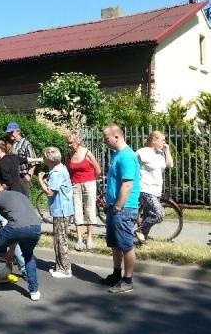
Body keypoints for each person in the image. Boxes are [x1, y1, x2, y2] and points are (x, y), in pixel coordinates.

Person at [101, 124, 140, 294]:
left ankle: (128, 280)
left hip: (123, 208)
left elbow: (127, 184)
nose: (104, 140)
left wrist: (118, 205)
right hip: (114, 207)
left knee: (126, 245)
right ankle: (117, 274)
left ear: (116, 136)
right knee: (115, 244)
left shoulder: (126, 156)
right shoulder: (117, 155)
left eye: (106, 137)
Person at [37, 146, 74, 279]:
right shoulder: (59, 168)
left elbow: (50, 192)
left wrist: (40, 180)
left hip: (61, 209)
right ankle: (61, 266)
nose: (43, 159)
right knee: (59, 239)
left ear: (48, 158)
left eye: (44, 157)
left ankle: (64, 269)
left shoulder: (56, 172)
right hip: (63, 208)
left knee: (60, 240)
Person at [136, 131, 174, 245]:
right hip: (145, 189)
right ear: (154, 141)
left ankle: (141, 242)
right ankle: (139, 230)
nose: (164, 142)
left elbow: (170, 165)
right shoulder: (142, 152)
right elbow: (131, 164)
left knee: (149, 215)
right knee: (159, 214)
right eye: (162, 140)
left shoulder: (160, 153)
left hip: (156, 190)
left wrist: (167, 151)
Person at [65, 133, 102, 251]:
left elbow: (98, 170)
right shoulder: (68, 155)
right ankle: (79, 238)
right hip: (75, 184)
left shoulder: (87, 153)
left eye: (71, 143)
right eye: (68, 143)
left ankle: (90, 238)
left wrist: (90, 181)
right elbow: (68, 171)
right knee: (77, 210)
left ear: (78, 142)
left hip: (89, 183)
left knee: (90, 209)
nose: (69, 145)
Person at [6, 122, 37, 195]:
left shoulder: (25, 143)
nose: (10, 134)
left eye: (12, 132)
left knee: (24, 200)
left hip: (22, 177)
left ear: (18, 131)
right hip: (11, 177)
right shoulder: (9, 144)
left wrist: (29, 175)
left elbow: (33, 161)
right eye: (9, 132)